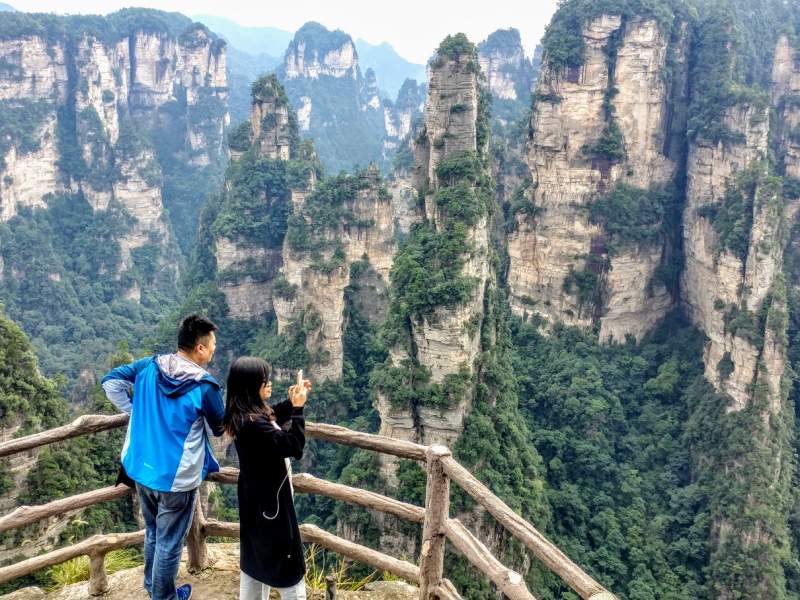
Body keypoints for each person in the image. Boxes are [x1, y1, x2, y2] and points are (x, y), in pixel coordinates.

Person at [101, 313, 225, 600]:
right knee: (169, 542)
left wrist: (135, 410)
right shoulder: (205, 387)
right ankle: (164, 597)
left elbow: (111, 383)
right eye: (213, 343)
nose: (215, 348)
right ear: (200, 349)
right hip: (176, 480)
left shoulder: (149, 366)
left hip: (141, 469)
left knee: (154, 533)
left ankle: (152, 586)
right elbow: (218, 429)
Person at [223, 357, 311, 600]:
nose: (270, 383)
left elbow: (269, 415)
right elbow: (293, 445)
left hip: (254, 501)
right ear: (251, 386)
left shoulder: (241, 413)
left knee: (255, 559)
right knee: (287, 565)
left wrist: (291, 403)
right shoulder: (253, 424)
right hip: (272, 506)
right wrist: (298, 410)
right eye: (265, 380)